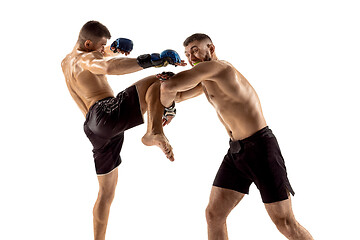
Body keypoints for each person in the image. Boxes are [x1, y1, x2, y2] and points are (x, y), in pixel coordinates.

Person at [159, 33, 314, 239]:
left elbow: (169, 89)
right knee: (214, 214)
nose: (191, 57)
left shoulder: (218, 68)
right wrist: (168, 101)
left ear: (211, 49)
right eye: (187, 53)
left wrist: (167, 95)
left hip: (260, 149)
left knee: (285, 223)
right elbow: (175, 95)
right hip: (236, 152)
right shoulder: (206, 79)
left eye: (196, 50)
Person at [61, 20, 185, 240]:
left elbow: (99, 59)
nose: (103, 51)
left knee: (106, 194)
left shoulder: (67, 62)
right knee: (159, 81)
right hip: (106, 113)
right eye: (101, 46)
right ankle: (154, 131)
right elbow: (107, 66)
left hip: (94, 128)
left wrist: (111, 50)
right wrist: (152, 60)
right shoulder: (88, 58)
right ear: (88, 44)